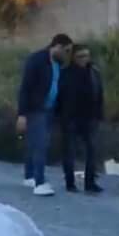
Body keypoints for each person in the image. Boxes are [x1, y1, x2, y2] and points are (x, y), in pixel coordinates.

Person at [17, 33, 74, 196]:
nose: (67, 54)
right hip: (36, 109)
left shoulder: (58, 63)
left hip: (50, 109)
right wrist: (22, 114)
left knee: (33, 143)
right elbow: (25, 87)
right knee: (41, 144)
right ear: (57, 46)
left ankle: (29, 176)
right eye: (66, 50)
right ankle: (40, 182)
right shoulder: (36, 60)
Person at [58, 45, 104, 193]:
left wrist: (99, 115)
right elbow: (59, 97)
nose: (84, 59)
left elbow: (99, 94)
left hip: (90, 118)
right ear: (73, 58)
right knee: (69, 151)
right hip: (70, 118)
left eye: (86, 56)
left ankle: (90, 183)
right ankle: (70, 183)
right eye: (80, 56)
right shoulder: (65, 74)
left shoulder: (94, 72)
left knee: (92, 151)